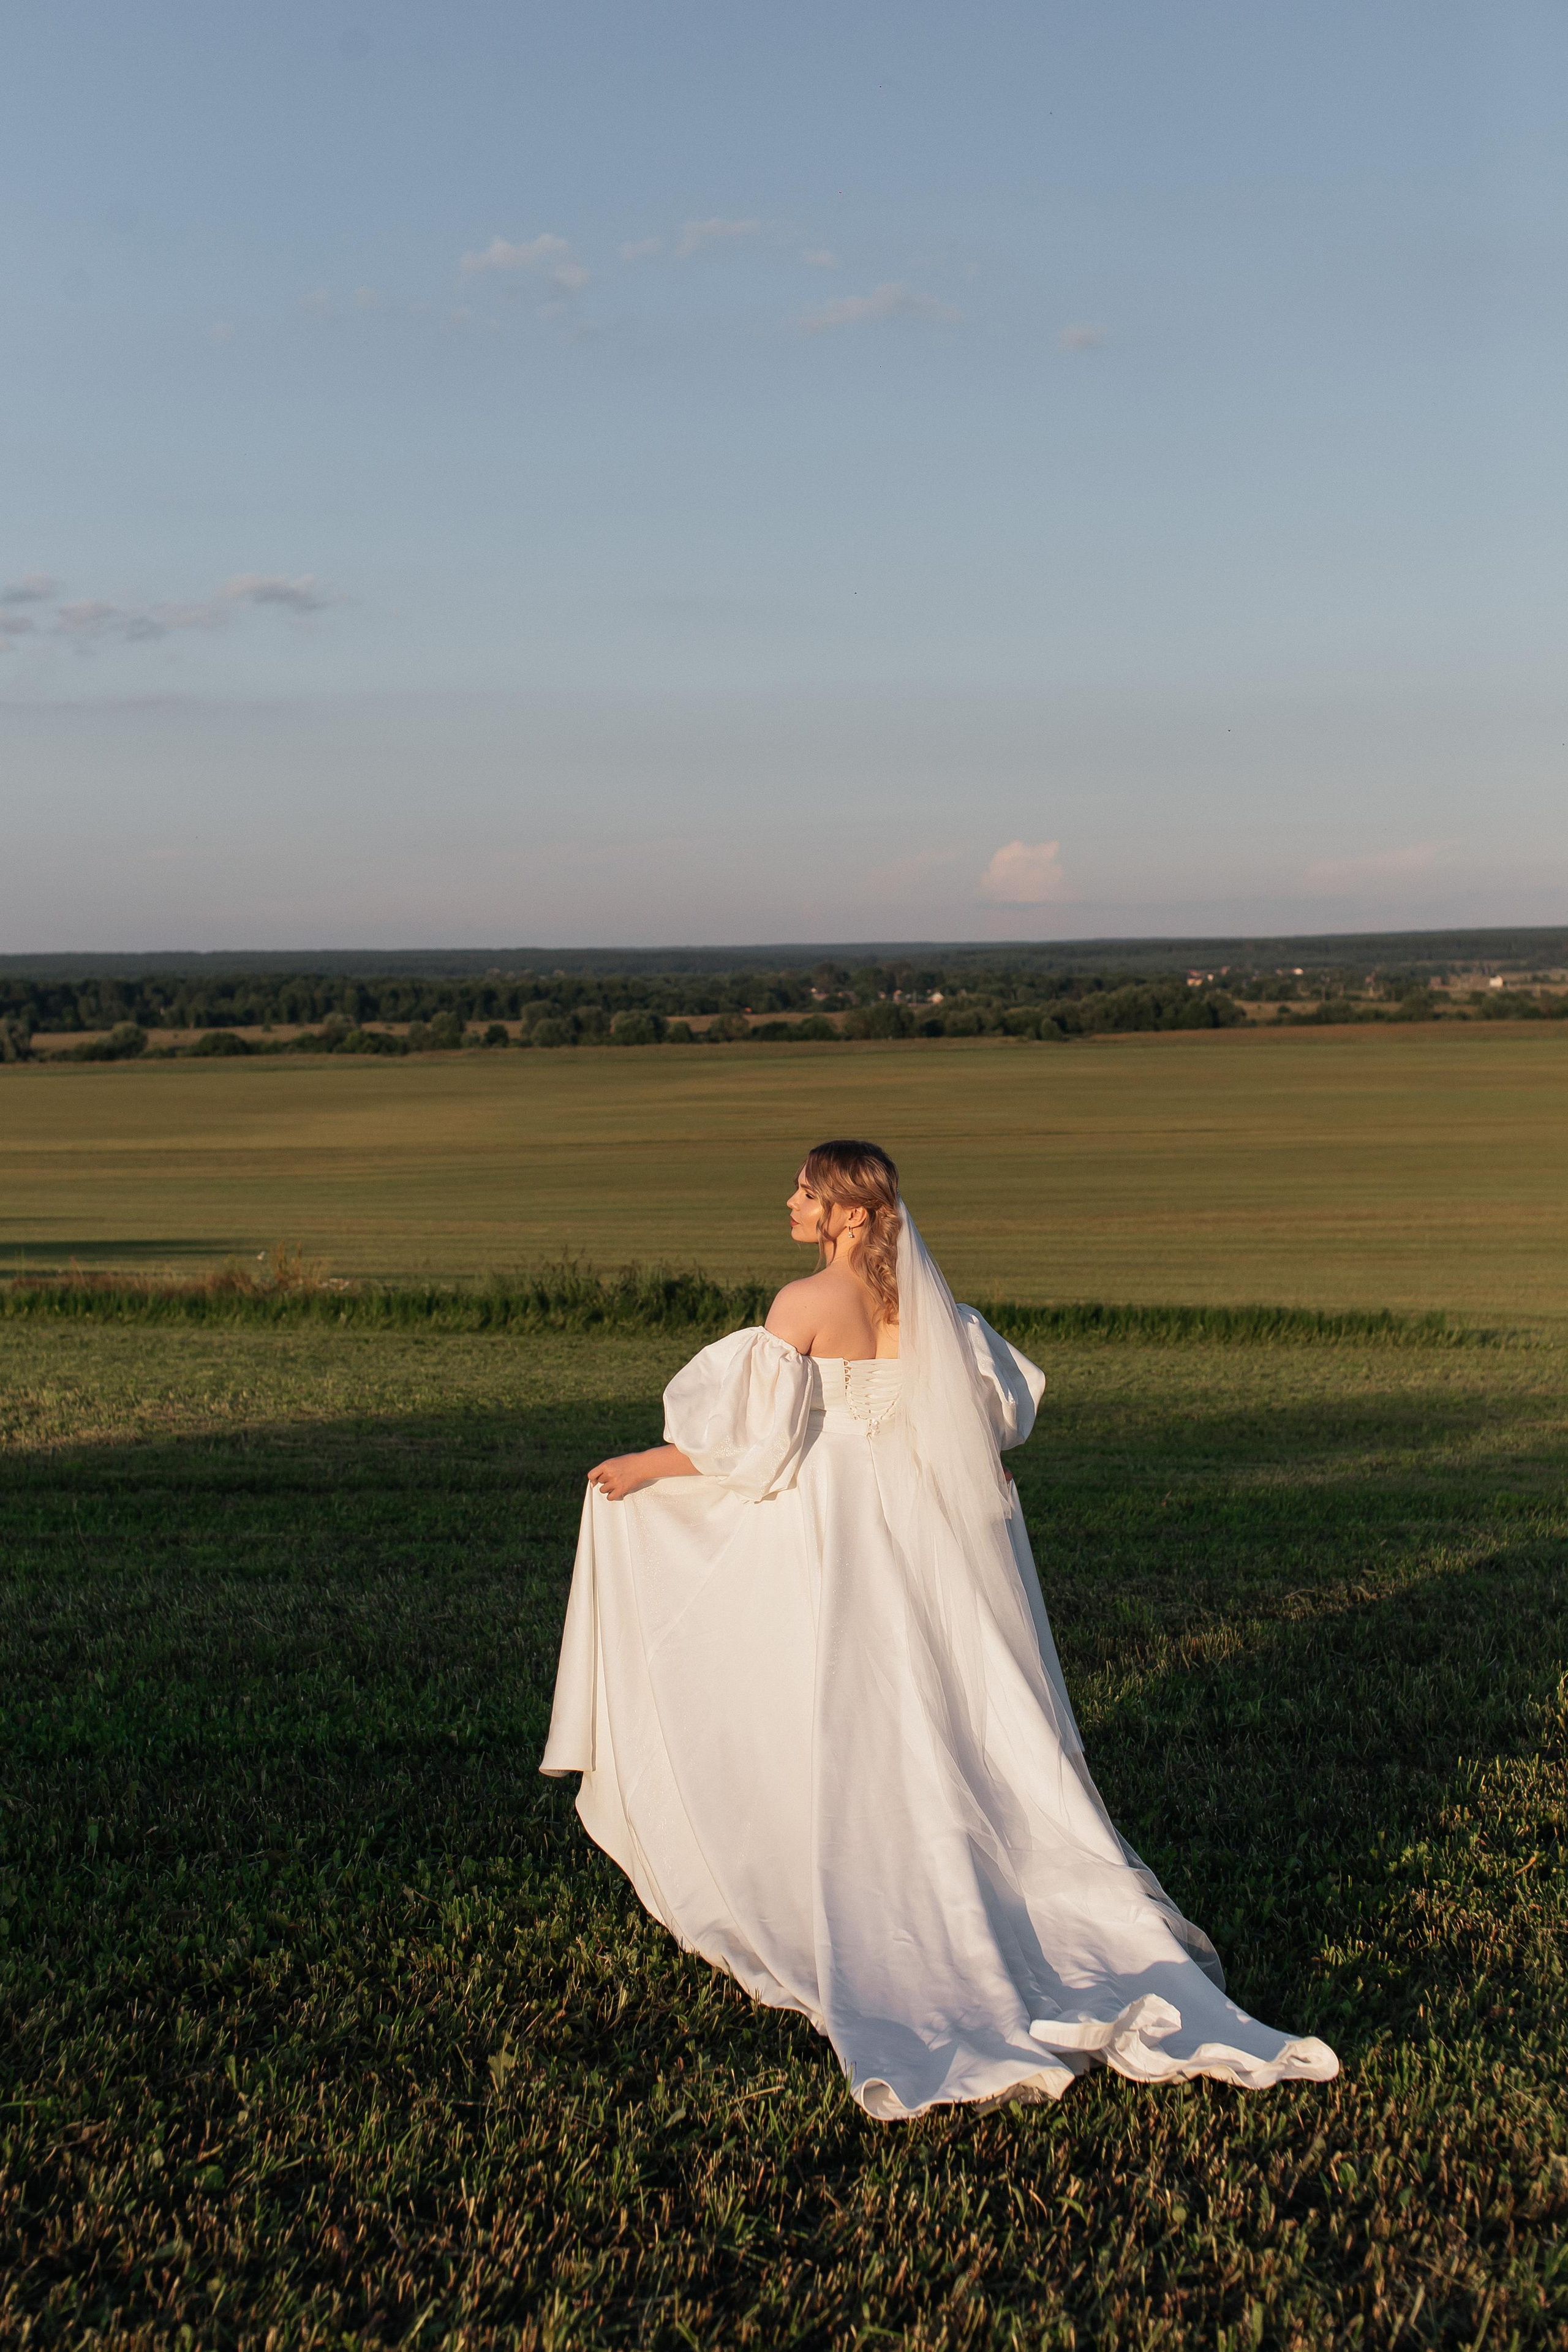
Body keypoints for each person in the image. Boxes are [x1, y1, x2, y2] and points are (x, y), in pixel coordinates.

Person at [542, 1139, 1337, 2119]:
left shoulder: (804, 1304)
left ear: (848, 1212)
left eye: (806, 1191)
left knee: (841, 1695)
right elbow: (977, 1427)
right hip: (920, 1532)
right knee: (940, 1704)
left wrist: (646, 1466)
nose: (790, 1201)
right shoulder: (933, 1313)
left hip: (835, 1528)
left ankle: (873, 1888)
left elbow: (753, 1445)